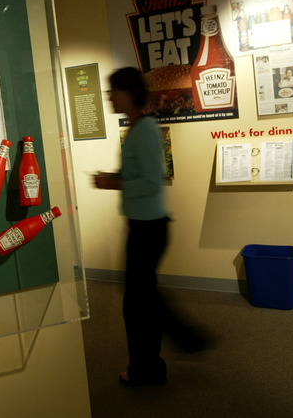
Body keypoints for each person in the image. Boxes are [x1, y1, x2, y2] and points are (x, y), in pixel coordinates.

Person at [93, 67, 207, 387]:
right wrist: (113, 177)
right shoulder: (137, 127)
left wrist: (112, 182)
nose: (110, 98)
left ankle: (158, 362)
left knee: (138, 304)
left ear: (128, 93)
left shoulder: (144, 128)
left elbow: (150, 181)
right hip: (144, 226)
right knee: (142, 300)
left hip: (148, 228)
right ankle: (156, 364)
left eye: (113, 91)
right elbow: (136, 173)